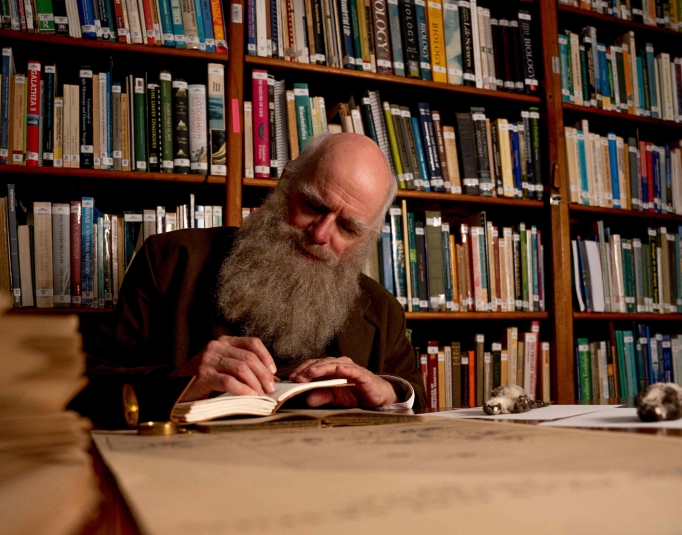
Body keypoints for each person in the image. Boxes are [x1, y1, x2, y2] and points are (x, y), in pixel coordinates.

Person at [72, 133, 425, 427]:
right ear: (285, 183)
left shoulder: (383, 311)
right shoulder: (168, 261)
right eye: (313, 205)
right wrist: (180, 382)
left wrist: (391, 394)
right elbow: (85, 391)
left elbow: (416, 399)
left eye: (347, 227)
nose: (320, 234)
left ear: (367, 238)